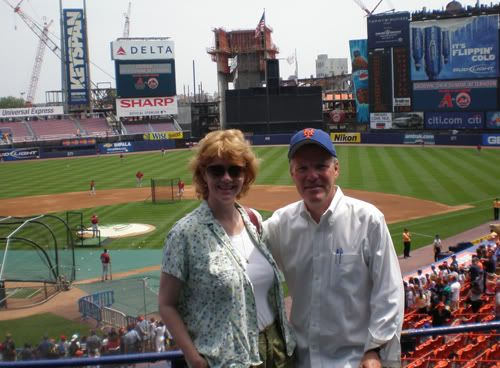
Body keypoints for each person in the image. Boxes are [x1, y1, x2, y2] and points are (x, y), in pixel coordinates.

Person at [263, 128, 403, 368]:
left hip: (355, 360)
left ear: (336, 169)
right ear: (292, 173)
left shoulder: (368, 219)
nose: (312, 176)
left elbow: (389, 290)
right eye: (302, 168)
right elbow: (243, 252)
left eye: (321, 166)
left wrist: (374, 349)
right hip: (301, 361)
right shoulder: (280, 223)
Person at [159, 129, 295, 368]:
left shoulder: (253, 221)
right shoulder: (184, 234)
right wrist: (193, 358)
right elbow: (166, 304)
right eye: (216, 170)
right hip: (226, 361)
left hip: (277, 351)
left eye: (235, 170)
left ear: (246, 174)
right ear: (203, 173)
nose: (226, 178)